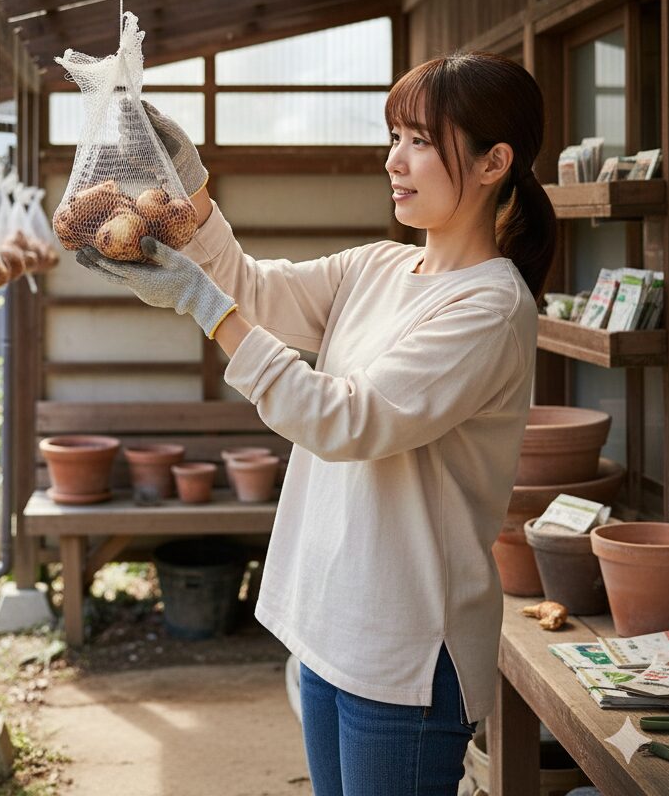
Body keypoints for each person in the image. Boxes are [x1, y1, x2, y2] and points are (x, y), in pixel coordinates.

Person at [76, 51, 557, 796]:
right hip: (332, 621)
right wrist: (191, 185)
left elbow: (347, 421)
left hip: (406, 648)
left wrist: (204, 306)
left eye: (421, 141)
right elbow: (252, 290)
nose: (394, 160)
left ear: (494, 162)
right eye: (395, 137)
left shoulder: (489, 308)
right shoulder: (380, 267)